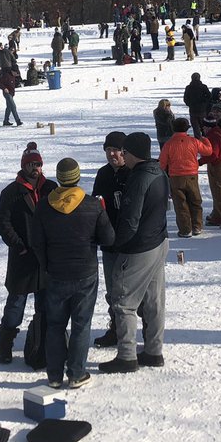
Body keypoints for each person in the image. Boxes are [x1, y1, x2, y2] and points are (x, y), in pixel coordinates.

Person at [33, 158, 115, 390]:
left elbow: (36, 242)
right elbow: (109, 238)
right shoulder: (92, 205)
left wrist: (46, 264)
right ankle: (77, 373)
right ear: (77, 178)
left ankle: (55, 376)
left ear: (58, 178)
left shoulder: (44, 206)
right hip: (85, 273)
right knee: (81, 324)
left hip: (56, 273)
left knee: (55, 325)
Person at [101, 132, 168, 374]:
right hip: (158, 242)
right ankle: (153, 351)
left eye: (124, 152)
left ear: (132, 153)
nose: (121, 156)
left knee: (124, 303)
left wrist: (118, 244)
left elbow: (130, 219)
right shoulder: (159, 171)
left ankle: (127, 356)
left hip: (139, 247)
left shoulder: (139, 178)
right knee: (153, 302)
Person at [0, 142, 54, 365]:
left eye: (38, 164)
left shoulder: (51, 188)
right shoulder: (11, 192)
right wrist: (18, 245)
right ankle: (5, 344)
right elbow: (2, 222)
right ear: (23, 166)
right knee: (15, 305)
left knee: (45, 305)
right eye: (31, 164)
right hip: (22, 258)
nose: (35, 168)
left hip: (45, 259)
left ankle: (43, 341)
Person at [91, 131, 128, 349]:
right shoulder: (103, 174)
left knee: (134, 290)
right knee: (113, 290)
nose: (112, 154)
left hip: (132, 244)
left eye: (115, 150)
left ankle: (136, 331)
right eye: (108, 150)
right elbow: (96, 204)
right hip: (109, 242)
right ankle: (115, 328)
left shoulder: (133, 173)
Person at [158, 117, 215, 237]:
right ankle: (197, 226)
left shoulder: (169, 144)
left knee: (180, 204)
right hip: (192, 176)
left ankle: (185, 230)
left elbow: (162, 163)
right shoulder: (193, 141)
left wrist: (162, 175)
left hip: (175, 177)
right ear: (187, 128)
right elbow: (208, 151)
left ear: (173, 129)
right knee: (195, 201)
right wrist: (205, 140)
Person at [183, 72, 212, 138]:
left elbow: (185, 99)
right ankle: (206, 142)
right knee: (204, 127)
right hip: (202, 110)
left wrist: (190, 104)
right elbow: (209, 96)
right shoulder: (203, 87)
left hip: (193, 110)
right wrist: (204, 104)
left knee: (196, 129)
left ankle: (198, 142)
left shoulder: (188, 87)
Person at [0, 62, 23, 127]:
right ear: (12, 71)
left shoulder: (14, 76)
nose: (16, 74)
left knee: (9, 107)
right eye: (15, 73)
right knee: (13, 107)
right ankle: (18, 121)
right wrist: (4, 88)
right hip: (7, 93)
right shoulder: (6, 75)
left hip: (11, 93)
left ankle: (6, 121)